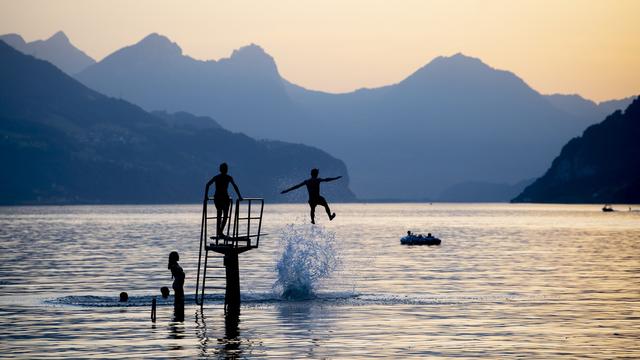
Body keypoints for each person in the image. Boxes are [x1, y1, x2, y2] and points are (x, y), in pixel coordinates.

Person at [205, 163, 242, 238]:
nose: (226, 170)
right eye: (225, 168)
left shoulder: (224, 177)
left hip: (223, 198)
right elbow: (207, 184)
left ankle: (220, 231)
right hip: (220, 198)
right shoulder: (223, 177)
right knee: (222, 214)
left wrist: (239, 196)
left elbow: (207, 184)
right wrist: (206, 196)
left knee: (222, 214)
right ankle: (220, 231)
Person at [168, 251, 185, 320]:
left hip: (179, 285)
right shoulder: (173, 265)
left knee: (179, 300)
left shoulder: (175, 264)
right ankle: (178, 314)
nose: (178, 256)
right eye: (177, 255)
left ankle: (178, 313)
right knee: (179, 301)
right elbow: (178, 274)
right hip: (178, 285)